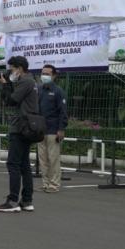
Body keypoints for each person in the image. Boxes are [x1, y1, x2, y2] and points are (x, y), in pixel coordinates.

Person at [0, 56, 39, 213]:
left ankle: (12, 201)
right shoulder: (29, 82)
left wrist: (6, 85)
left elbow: (11, 100)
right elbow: (15, 98)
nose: (10, 72)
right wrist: (9, 84)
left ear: (19, 68)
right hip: (26, 127)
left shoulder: (26, 81)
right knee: (24, 165)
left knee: (13, 164)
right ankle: (27, 201)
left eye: (11, 69)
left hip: (20, 127)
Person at [38, 64, 68, 193]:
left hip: (53, 130)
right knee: (42, 159)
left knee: (53, 158)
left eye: (47, 74)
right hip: (40, 130)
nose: (44, 76)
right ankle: (45, 183)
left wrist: (61, 129)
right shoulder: (38, 89)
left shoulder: (58, 91)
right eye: (43, 73)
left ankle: (54, 184)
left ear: (54, 76)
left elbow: (63, 112)